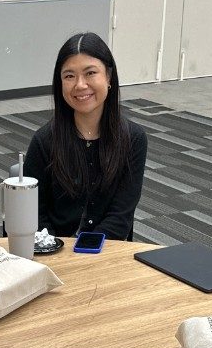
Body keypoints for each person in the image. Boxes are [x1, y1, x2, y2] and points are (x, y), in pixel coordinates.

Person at [23, 32, 147, 240]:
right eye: (69, 76)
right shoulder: (44, 140)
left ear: (108, 77)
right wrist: (57, 250)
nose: (80, 85)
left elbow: (120, 218)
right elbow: (33, 214)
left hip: (107, 250)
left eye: (90, 73)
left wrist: (85, 251)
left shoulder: (133, 139)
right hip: (53, 250)